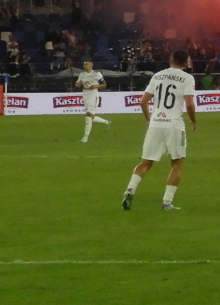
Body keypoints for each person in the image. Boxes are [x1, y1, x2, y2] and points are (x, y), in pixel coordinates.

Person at [122, 48, 195, 211]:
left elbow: (143, 102)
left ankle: (130, 190)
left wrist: (149, 119)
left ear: (171, 60)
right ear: (185, 63)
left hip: (156, 123)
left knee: (145, 162)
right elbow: (189, 103)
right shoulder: (187, 78)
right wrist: (193, 120)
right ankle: (167, 202)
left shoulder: (158, 75)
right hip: (174, 124)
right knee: (177, 163)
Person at [74, 58, 110, 142]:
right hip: (85, 95)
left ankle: (85, 137)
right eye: (84, 64)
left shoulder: (96, 74)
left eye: (86, 64)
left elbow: (104, 84)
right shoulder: (82, 74)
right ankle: (106, 122)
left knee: (88, 115)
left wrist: (95, 86)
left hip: (93, 95)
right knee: (91, 116)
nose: (84, 66)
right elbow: (77, 84)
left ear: (91, 65)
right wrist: (77, 84)